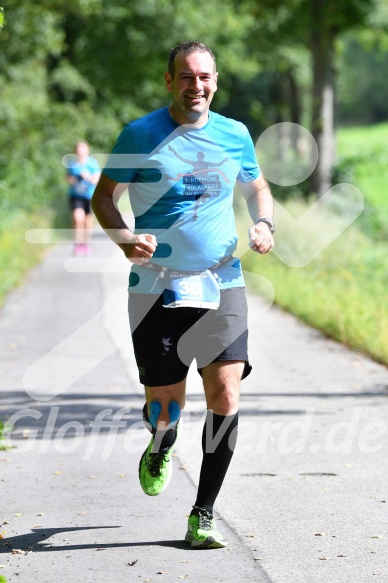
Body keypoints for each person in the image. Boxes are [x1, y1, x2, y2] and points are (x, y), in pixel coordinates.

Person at [92, 40, 274, 549]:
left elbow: (258, 187)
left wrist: (265, 223)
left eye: (206, 77)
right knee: (166, 412)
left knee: (225, 394)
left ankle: (203, 514)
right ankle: (161, 443)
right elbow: (102, 196)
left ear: (216, 81)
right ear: (169, 81)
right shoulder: (140, 134)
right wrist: (124, 236)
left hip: (222, 280)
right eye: (187, 77)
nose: (198, 87)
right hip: (156, 287)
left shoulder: (234, 134)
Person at [66, 140, 101, 256]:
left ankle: (86, 244)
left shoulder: (92, 163)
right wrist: (72, 180)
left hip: (89, 196)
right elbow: (68, 178)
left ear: (87, 150)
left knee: (87, 221)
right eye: (78, 149)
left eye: (82, 149)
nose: (80, 151)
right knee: (78, 218)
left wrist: (88, 176)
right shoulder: (72, 164)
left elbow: (97, 179)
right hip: (76, 196)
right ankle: (77, 243)